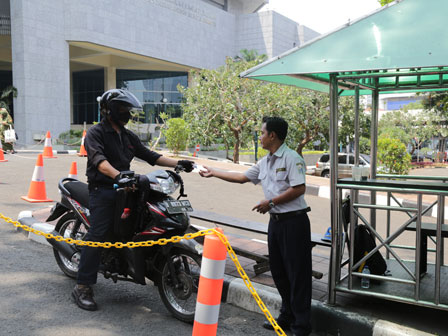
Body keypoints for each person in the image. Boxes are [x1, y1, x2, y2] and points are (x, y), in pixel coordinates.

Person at [72, 89, 194, 311]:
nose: (127, 113)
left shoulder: (127, 136)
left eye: (128, 109)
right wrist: (118, 175)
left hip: (127, 188)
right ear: (108, 110)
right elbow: (99, 161)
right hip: (104, 190)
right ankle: (82, 286)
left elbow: (151, 156)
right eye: (122, 109)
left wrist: (178, 163)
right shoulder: (96, 133)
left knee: (140, 222)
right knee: (97, 234)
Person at [199, 116, 311, 336]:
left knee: (297, 274)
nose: (259, 136)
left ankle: (301, 326)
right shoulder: (266, 161)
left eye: (261, 133)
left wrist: (270, 202)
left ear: (272, 135)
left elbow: (299, 189)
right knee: (279, 272)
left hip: (294, 222)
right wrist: (213, 172)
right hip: (277, 223)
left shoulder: (291, 158)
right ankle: (287, 317)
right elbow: (241, 177)